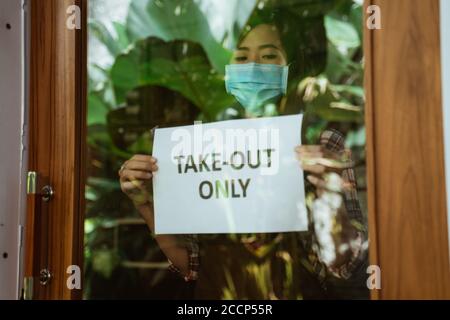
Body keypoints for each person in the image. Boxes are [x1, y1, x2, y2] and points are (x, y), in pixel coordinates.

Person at [118, 10, 368, 299]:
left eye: (269, 56)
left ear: (292, 67)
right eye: (241, 57)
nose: (252, 67)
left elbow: (345, 266)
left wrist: (331, 197)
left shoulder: (321, 144)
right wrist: (145, 203)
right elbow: (190, 265)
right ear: (226, 69)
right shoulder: (199, 148)